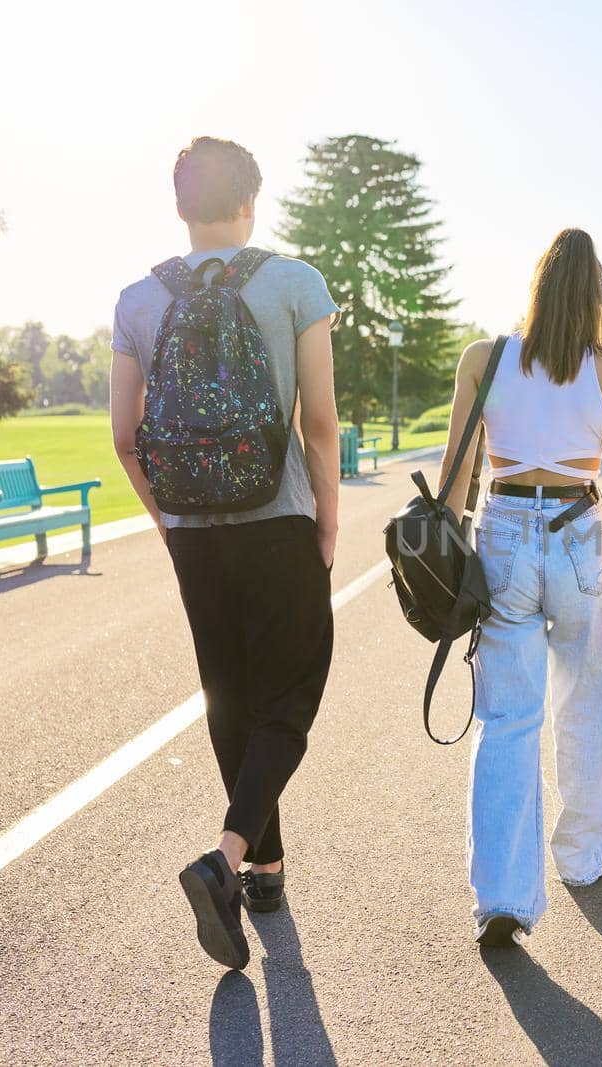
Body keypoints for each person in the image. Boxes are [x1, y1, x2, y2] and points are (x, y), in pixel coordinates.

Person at [109, 137, 341, 968]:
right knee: (292, 696)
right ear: (253, 201)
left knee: (230, 697)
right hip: (276, 523)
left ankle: (266, 870)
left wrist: (169, 522)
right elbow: (319, 422)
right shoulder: (292, 282)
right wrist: (326, 519)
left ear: (179, 208)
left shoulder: (138, 298)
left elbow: (123, 437)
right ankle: (228, 859)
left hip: (194, 535)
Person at [440, 228, 602, 947]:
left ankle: (502, 893)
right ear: (595, 293)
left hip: (504, 528)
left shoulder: (483, 360)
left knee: (508, 716)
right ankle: (582, 858)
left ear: (535, 286)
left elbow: (456, 481)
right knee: (589, 702)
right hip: (578, 532)